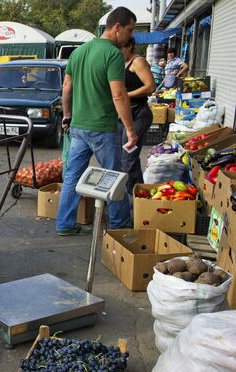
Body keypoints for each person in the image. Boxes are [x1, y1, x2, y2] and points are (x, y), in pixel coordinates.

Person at [56, 6, 137, 236]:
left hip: (79, 127)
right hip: (103, 128)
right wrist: (130, 129)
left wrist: (68, 115)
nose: (130, 36)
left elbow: (67, 87)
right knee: (114, 176)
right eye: (129, 30)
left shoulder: (78, 52)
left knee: (72, 175)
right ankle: (120, 225)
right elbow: (119, 95)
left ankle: (64, 224)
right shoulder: (112, 55)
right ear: (117, 27)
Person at [118, 37, 156, 198]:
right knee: (123, 157)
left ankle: (137, 197)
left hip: (139, 113)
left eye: (120, 49)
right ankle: (132, 193)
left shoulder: (138, 62)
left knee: (128, 156)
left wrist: (126, 95)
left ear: (129, 46)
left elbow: (151, 86)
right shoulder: (120, 62)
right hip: (124, 114)